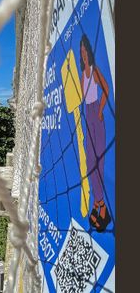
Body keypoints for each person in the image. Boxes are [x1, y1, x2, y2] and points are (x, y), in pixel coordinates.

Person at [79, 34, 111, 232]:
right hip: (86, 117)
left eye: (84, 50)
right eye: (80, 51)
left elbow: (106, 89)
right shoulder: (83, 74)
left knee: (98, 163)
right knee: (90, 163)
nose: (83, 54)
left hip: (95, 116)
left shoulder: (94, 71)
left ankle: (102, 206)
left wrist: (99, 110)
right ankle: (98, 203)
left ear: (88, 51)